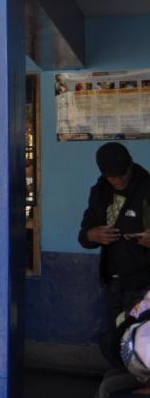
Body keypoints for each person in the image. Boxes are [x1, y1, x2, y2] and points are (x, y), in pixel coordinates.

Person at [79, 142, 150, 368]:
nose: (118, 181)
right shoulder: (99, 192)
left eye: (122, 175)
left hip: (144, 285)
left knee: (140, 345)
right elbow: (84, 235)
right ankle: (122, 381)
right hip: (112, 284)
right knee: (116, 342)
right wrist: (93, 235)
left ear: (130, 166)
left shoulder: (148, 188)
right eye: (112, 177)